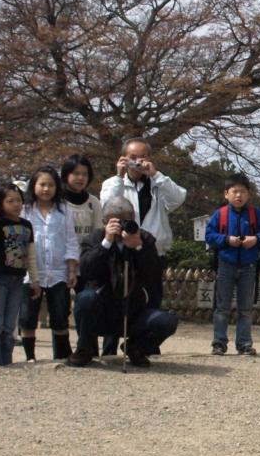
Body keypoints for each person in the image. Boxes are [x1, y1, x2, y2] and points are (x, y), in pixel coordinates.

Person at [67, 197, 178, 368]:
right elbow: (87, 270)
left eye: (126, 220)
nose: (121, 226)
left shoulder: (145, 238)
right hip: (101, 309)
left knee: (166, 321)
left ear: (133, 219)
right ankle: (84, 348)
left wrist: (138, 247)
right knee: (85, 298)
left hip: (133, 309)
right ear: (104, 222)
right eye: (115, 221)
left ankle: (135, 347)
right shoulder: (95, 238)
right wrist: (106, 243)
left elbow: (154, 273)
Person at [99, 137, 186, 308]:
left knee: (151, 302)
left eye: (143, 157)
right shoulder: (113, 183)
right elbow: (107, 206)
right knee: (120, 302)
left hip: (152, 252)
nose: (138, 162)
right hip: (122, 250)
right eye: (132, 157)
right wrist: (119, 176)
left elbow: (178, 198)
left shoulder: (159, 183)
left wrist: (155, 175)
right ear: (123, 158)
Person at [205, 172, 260, 356]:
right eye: (235, 191)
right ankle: (219, 343)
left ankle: (244, 344)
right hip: (225, 264)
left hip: (249, 266)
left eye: (243, 191)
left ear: (248, 194)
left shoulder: (256, 214)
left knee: (245, 308)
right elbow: (209, 235)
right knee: (222, 307)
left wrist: (257, 238)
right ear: (226, 194)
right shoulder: (220, 214)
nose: (239, 195)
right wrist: (226, 239)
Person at [20, 165, 79, 362]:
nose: (46, 189)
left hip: (58, 272)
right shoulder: (25, 210)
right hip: (31, 273)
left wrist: (72, 269)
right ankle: (30, 357)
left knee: (60, 315)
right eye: (42, 184)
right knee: (28, 317)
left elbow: (71, 240)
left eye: (51, 185)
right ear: (34, 186)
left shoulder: (64, 210)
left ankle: (61, 357)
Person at [0, 183, 39, 367]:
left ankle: (6, 363)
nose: (16, 204)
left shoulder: (26, 225)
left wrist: (35, 280)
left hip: (18, 280)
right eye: (10, 201)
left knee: (9, 326)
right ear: (1, 203)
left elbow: (31, 255)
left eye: (19, 200)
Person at [61, 153, 104, 248]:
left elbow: (98, 233)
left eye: (85, 174)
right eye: (76, 173)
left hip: (88, 254)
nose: (81, 178)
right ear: (66, 174)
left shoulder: (94, 202)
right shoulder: (58, 201)